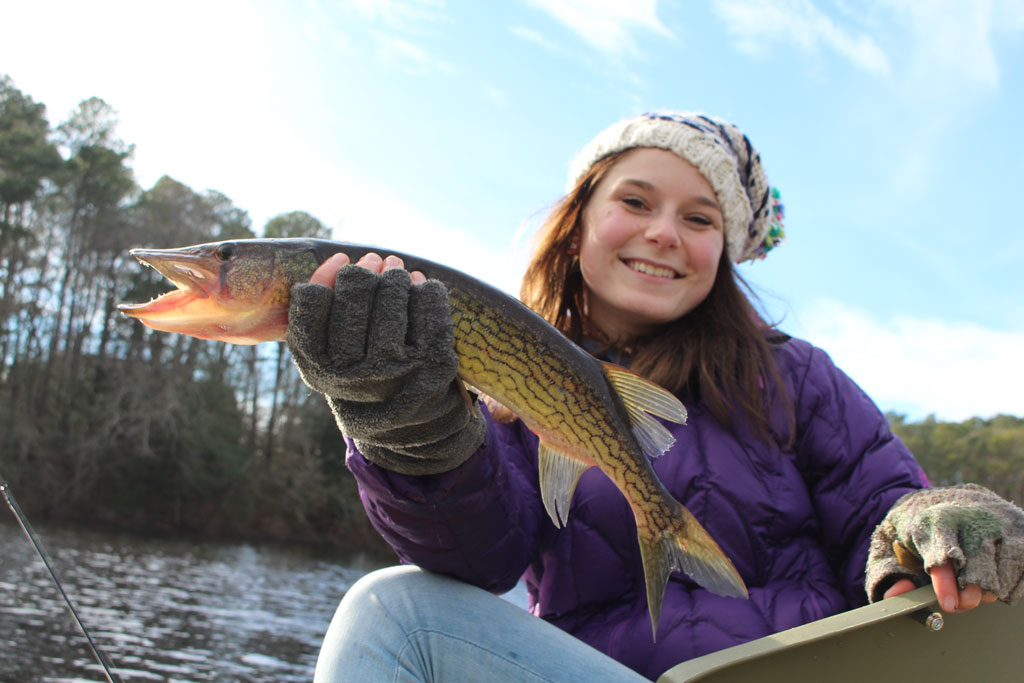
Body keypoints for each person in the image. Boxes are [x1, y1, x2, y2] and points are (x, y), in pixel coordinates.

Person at [286, 112, 1024, 682]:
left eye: (700, 218)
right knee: (391, 612)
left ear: (725, 254)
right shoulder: (506, 386)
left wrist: (927, 522)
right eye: (635, 200)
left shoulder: (798, 374)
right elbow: (478, 556)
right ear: (576, 226)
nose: (664, 232)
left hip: (794, 673)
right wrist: (412, 428)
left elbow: (881, 506)